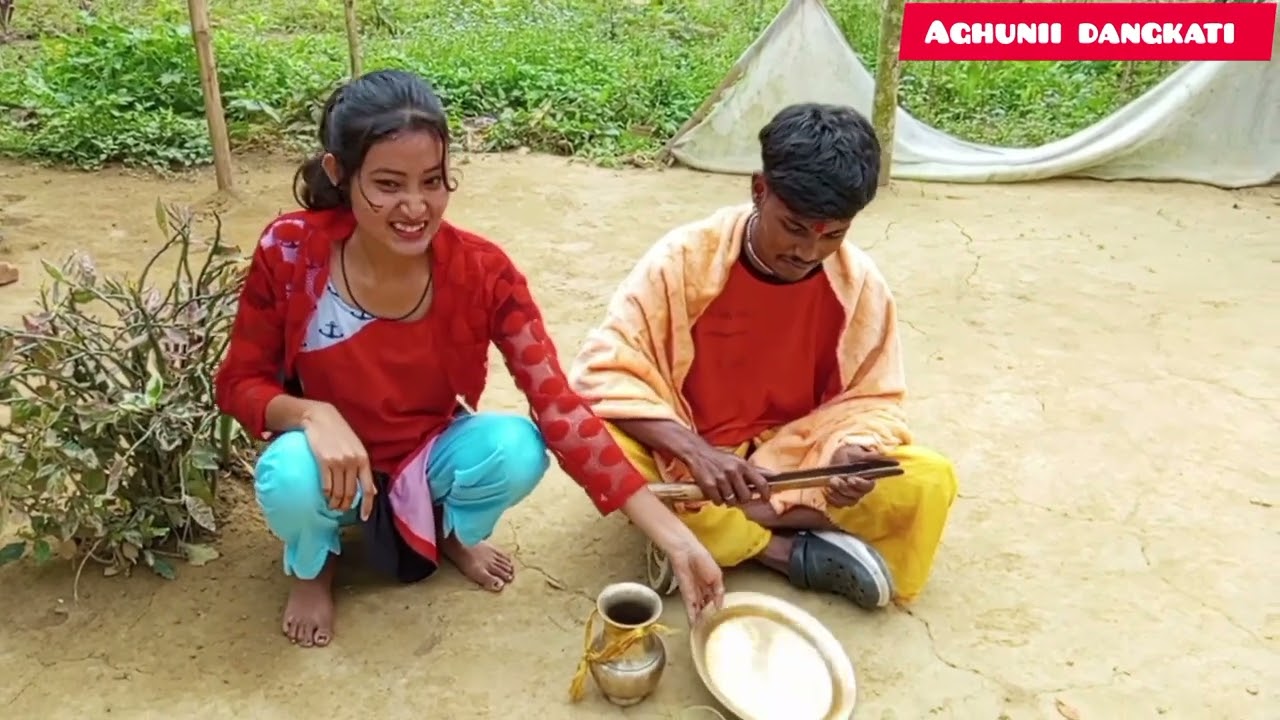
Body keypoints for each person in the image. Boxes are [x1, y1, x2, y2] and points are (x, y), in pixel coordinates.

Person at [214, 69, 724, 648]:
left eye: (432, 181)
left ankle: (449, 532)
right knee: (288, 477)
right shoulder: (290, 251)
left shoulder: (484, 273)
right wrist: (311, 414)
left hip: (426, 449)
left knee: (517, 448)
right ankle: (313, 566)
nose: (414, 207)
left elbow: (558, 407)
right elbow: (238, 383)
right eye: (387, 184)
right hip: (329, 460)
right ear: (339, 174)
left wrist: (675, 538)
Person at [568, 103, 959, 610]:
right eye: (794, 227)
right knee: (583, 437)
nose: (808, 252)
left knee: (928, 478)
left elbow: (874, 397)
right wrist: (696, 453)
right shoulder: (685, 259)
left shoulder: (858, 284)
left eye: (833, 234)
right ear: (759, 190)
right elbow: (604, 373)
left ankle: (716, 532)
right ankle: (783, 551)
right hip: (693, 460)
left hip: (794, 458)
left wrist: (848, 452)